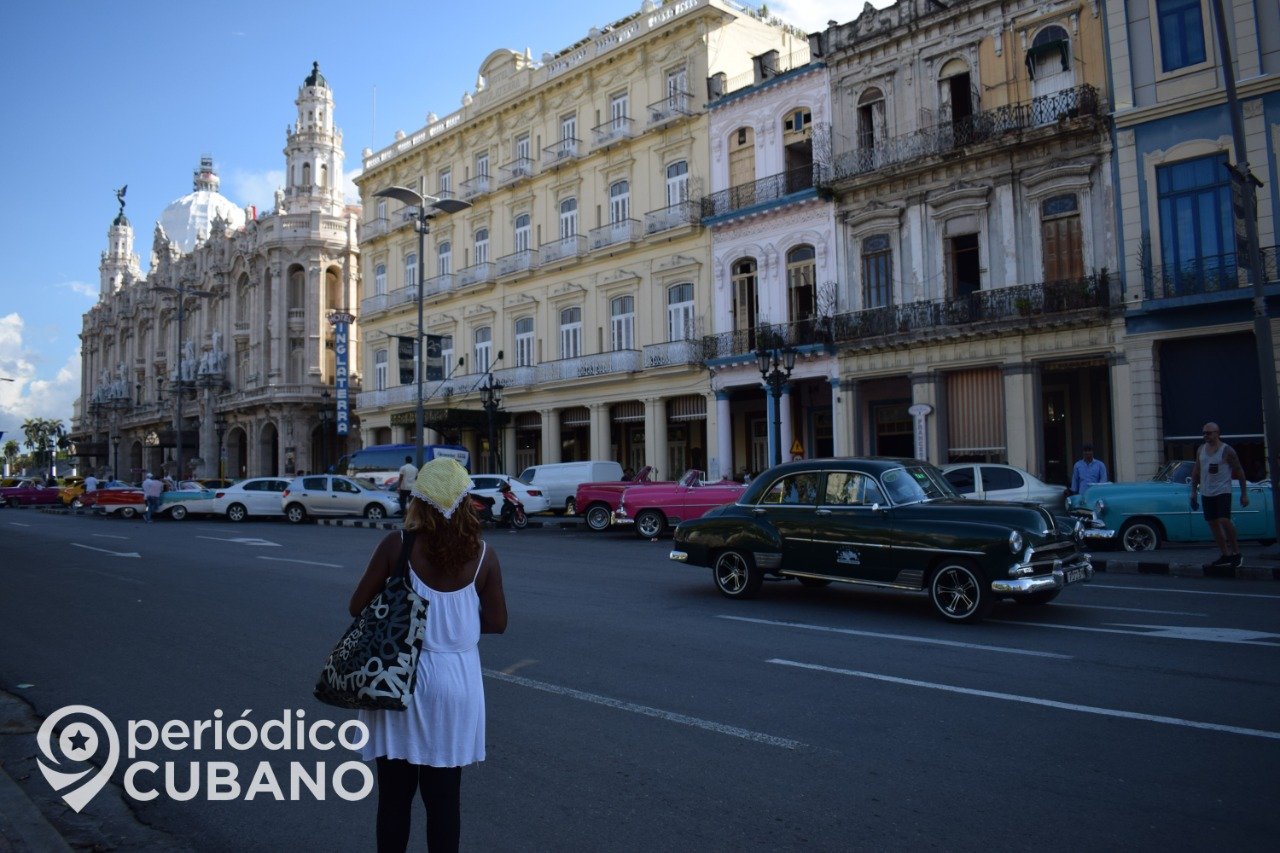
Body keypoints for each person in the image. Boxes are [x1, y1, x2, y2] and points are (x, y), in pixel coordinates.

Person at [348, 458, 507, 853]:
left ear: (419, 500)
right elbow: (498, 622)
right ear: (463, 500)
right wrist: (455, 628)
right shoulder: (484, 556)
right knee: (444, 803)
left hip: (398, 678)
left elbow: (357, 607)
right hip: (455, 682)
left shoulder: (396, 545)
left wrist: (412, 622)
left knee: (394, 802)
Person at [1190, 422, 1249, 568]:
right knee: (1213, 523)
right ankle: (1225, 554)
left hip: (1222, 490)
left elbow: (1239, 471)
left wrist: (1244, 494)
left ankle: (1236, 552)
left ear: (1217, 433)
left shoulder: (1227, 450)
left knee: (1224, 520)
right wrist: (1193, 492)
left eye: (1209, 433)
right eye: (1204, 433)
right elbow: (1196, 470)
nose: (1206, 436)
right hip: (1206, 491)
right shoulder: (1201, 450)